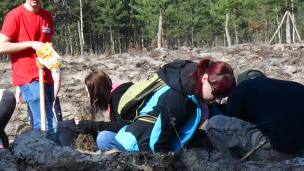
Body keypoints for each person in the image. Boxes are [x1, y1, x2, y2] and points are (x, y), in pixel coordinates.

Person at [95, 59, 235, 153]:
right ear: (205, 78)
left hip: (148, 135)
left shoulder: (196, 89)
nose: (218, 100)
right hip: (142, 144)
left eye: (223, 96)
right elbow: (159, 140)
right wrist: (166, 166)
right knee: (104, 139)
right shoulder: (178, 98)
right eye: (216, 94)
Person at [206, 70, 304, 161]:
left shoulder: (240, 90)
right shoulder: (294, 87)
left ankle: (235, 167)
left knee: (214, 124)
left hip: (283, 150)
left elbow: (235, 121)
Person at [0, 0, 61, 137]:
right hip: (27, 77)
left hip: (46, 75)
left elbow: (51, 41)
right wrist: (31, 44)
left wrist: (52, 49)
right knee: (47, 124)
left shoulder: (47, 16)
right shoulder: (15, 16)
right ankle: (46, 150)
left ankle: (42, 148)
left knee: (48, 120)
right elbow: (0, 47)